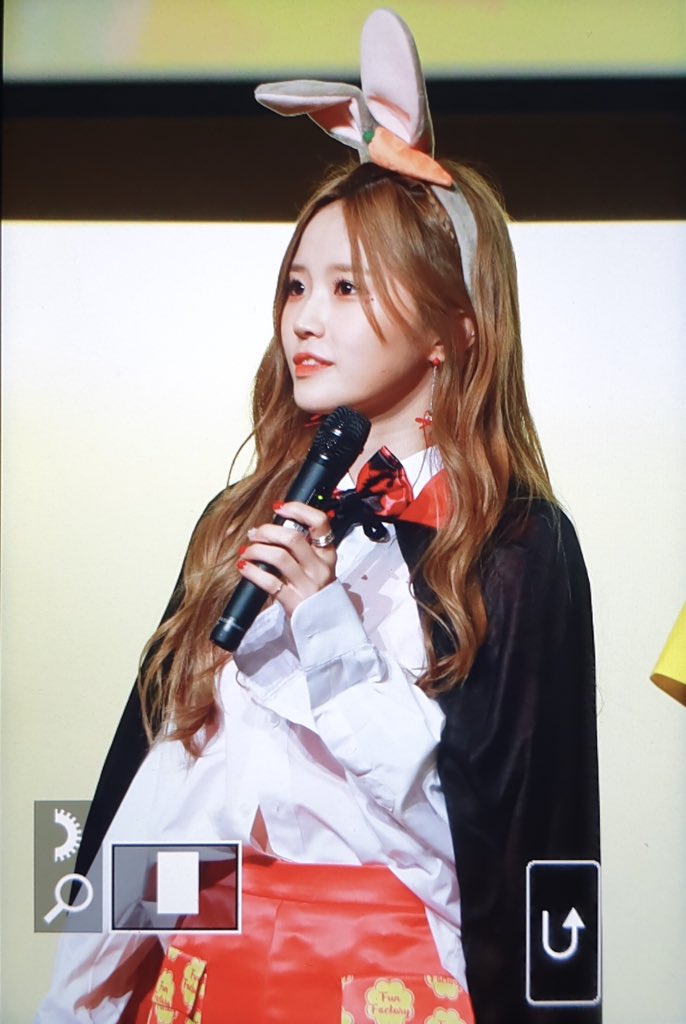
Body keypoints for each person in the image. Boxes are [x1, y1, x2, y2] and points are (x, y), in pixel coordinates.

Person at [37, 10, 600, 1024]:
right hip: (204, 978)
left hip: (391, 986)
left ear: (452, 324)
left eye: (347, 287)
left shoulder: (513, 543)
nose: (304, 316)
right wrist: (81, 989)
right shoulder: (241, 518)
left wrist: (328, 629)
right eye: (297, 285)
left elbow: (506, 841)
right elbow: (166, 784)